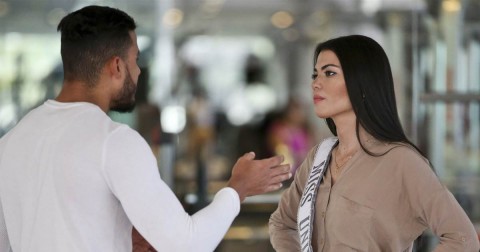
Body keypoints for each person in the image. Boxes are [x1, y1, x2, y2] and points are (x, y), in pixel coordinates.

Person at [0, 5, 292, 252]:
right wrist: (237, 189)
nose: (139, 71)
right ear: (116, 66)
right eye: (135, 60)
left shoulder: (11, 141)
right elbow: (187, 245)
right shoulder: (114, 141)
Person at [269, 35, 480, 252]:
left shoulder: (401, 161)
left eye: (329, 73)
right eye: (316, 74)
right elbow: (282, 224)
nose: (316, 83)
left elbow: (462, 238)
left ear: (362, 83)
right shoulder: (319, 158)